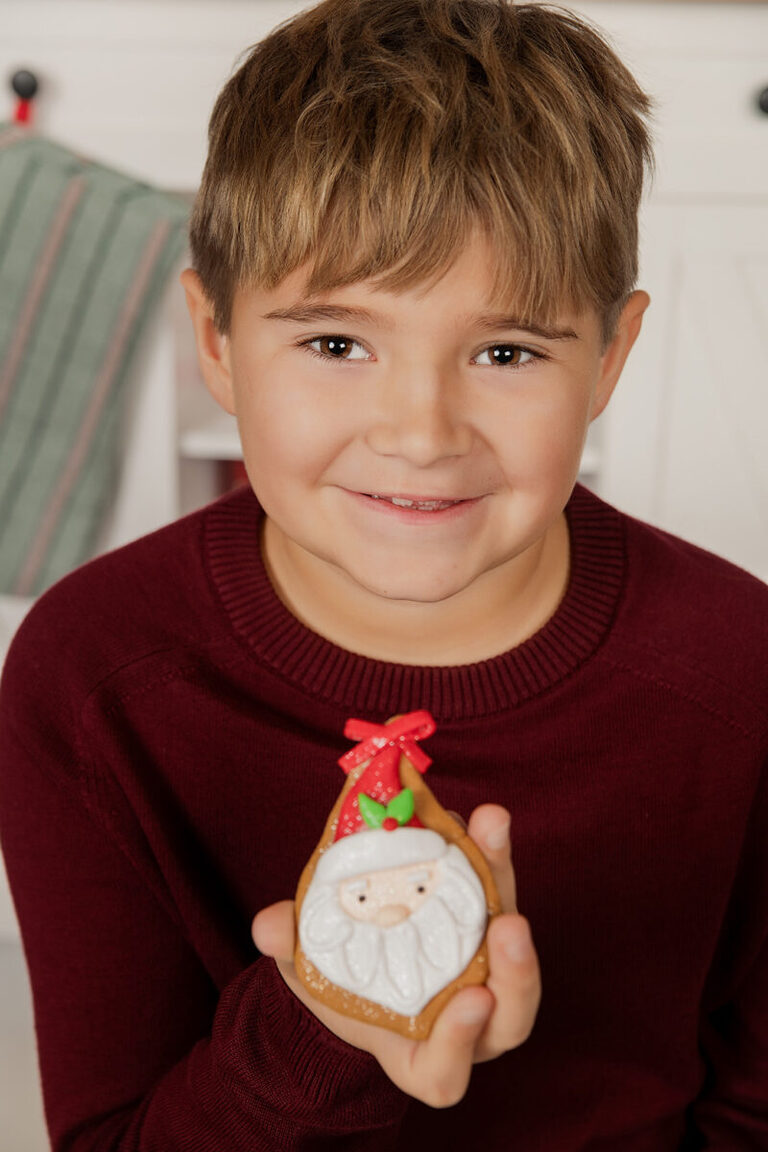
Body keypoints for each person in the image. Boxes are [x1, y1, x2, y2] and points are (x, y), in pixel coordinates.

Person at [0, 0, 766, 1147]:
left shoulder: (738, 666)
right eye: (335, 343)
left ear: (609, 355)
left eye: (506, 352)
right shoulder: (91, 673)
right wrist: (325, 1020)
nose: (420, 431)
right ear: (215, 338)